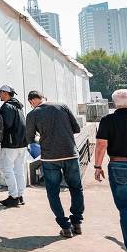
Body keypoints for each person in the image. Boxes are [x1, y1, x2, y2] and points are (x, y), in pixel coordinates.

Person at [94, 89, 127, 252]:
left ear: (114, 104)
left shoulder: (108, 120)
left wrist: (97, 166)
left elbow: (101, 144)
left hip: (119, 166)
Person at [26, 90, 82, 237]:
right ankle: (77, 223)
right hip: (70, 154)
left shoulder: (33, 114)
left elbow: (30, 138)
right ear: (44, 97)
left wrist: (42, 138)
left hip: (50, 158)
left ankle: (65, 227)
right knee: (76, 188)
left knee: (53, 192)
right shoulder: (62, 105)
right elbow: (76, 128)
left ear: (32, 101)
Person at [0, 85, 27, 207]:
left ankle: (13, 196)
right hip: (22, 143)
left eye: (0, 92)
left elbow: (7, 124)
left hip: (10, 144)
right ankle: (20, 195)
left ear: (6, 93)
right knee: (19, 169)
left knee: (7, 169)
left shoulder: (6, 106)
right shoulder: (18, 106)